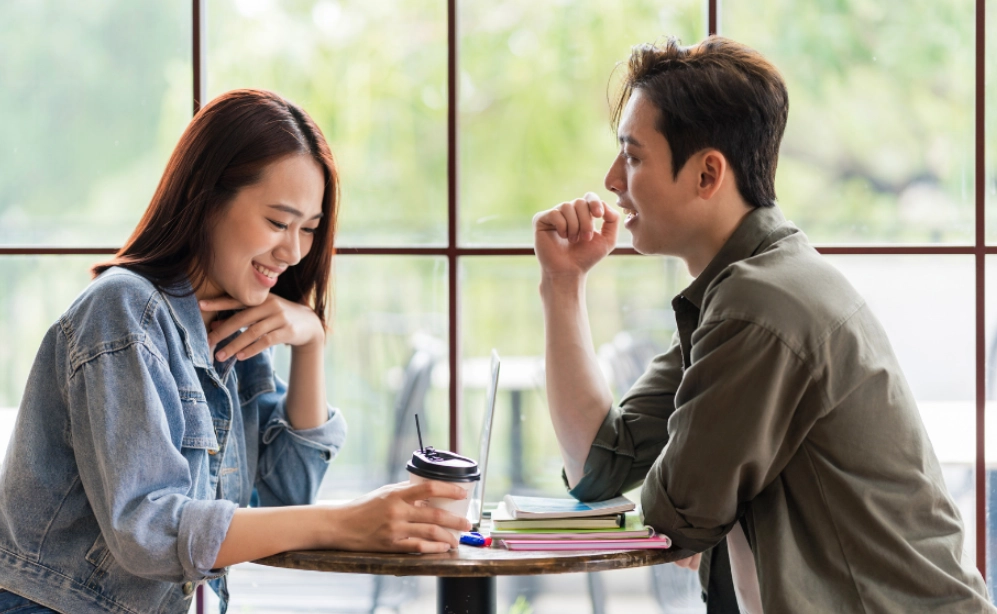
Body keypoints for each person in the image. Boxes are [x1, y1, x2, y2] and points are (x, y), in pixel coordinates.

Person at [532, 36, 994, 613]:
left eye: (633, 156)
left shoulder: (760, 304)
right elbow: (601, 470)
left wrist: (691, 510)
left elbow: (675, 517)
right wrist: (563, 283)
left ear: (707, 174)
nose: (611, 180)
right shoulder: (741, 290)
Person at [0, 89, 471, 614]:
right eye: (277, 222)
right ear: (206, 199)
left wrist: (311, 340)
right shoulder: (124, 310)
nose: (293, 252)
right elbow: (148, 531)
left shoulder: (235, 325)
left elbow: (286, 498)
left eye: (309, 230)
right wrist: (349, 519)